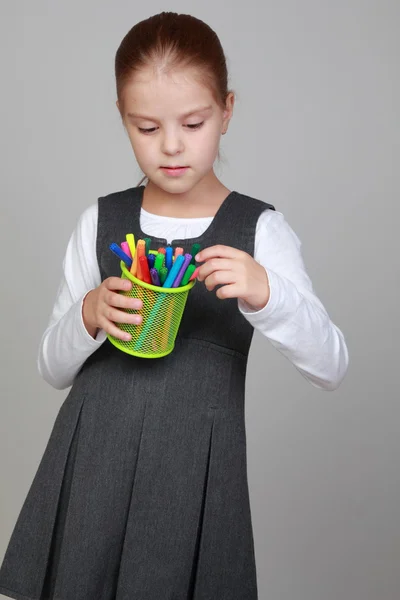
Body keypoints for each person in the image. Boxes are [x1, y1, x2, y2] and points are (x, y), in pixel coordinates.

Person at [0, 11, 349, 600]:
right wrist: (88, 316)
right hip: (92, 466)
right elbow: (51, 369)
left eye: (193, 122)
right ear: (123, 121)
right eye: (145, 127)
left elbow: (332, 367)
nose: (170, 146)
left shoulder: (259, 229)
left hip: (193, 477)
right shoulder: (100, 221)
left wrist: (268, 294)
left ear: (227, 111)